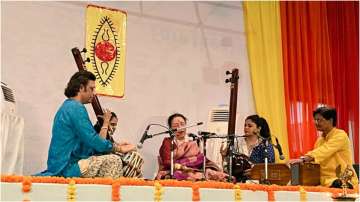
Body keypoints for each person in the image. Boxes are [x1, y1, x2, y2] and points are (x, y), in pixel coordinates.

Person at [35, 70, 129, 179]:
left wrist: (115, 144)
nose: (94, 93)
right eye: (91, 89)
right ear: (80, 88)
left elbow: (90, 143)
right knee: (114, 161)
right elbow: (93, 140)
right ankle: (107, 196)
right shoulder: (75, 108)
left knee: (105, 157)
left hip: (66, 163)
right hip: (66, 167)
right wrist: (119, 149)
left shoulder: (67, 106)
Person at [290, 106, 358, 188]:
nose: (316, 122)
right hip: (325, 182)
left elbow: (324, 151)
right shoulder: (319, 141)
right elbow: (316, 162)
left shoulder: (340, 135)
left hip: (342, 180)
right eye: (315, 120)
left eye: (320, 120)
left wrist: (303, 158)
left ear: (330, 120)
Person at [156, 113, 228, 181]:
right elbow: (166, 162)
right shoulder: (168, 142)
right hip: (174, 171)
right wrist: (182, 167)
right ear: (170, 128)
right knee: (179, 174)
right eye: (175, 126)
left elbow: (198, 159)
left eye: (182, 124)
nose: (180, 127)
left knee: (209, 172)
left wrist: (203, 167)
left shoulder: (192, 142)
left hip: (195, 170)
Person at [220, 115, 275, 182]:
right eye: (245, 125)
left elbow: (271, 169)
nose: (246, 128)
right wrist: (224, 156)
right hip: (238, 184)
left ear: (258, 129)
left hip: (259, 185)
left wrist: (256, 172)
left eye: (250, 126)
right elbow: (228, 169)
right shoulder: (237, 144)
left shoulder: (265, 146)